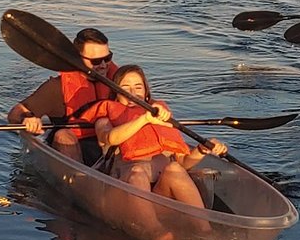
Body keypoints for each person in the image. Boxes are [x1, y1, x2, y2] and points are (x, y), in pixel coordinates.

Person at [93, 65, 226, 209]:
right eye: (125, 87)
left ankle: (205, 229)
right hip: (124, 193)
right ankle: (156, 231)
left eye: (138, 87)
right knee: (137, 173)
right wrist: (144, 120)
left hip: (161, 192)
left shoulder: (161, 118)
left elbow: (183, 162)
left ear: (146, 92)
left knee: (174, 168)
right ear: (116, 93)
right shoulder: (105, 120)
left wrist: (202, 150)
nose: (133, 93)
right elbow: (109, 138)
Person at [7, 27, 117, 163]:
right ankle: (79, 179)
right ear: (77, 59)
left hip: (109, 139)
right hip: (73, 144)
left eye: (107, 58)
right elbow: (14, 113)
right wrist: (28, 117)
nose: (103, 65)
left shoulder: (120, 80)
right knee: (63, 135)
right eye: (95, 61)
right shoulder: (57, 88)